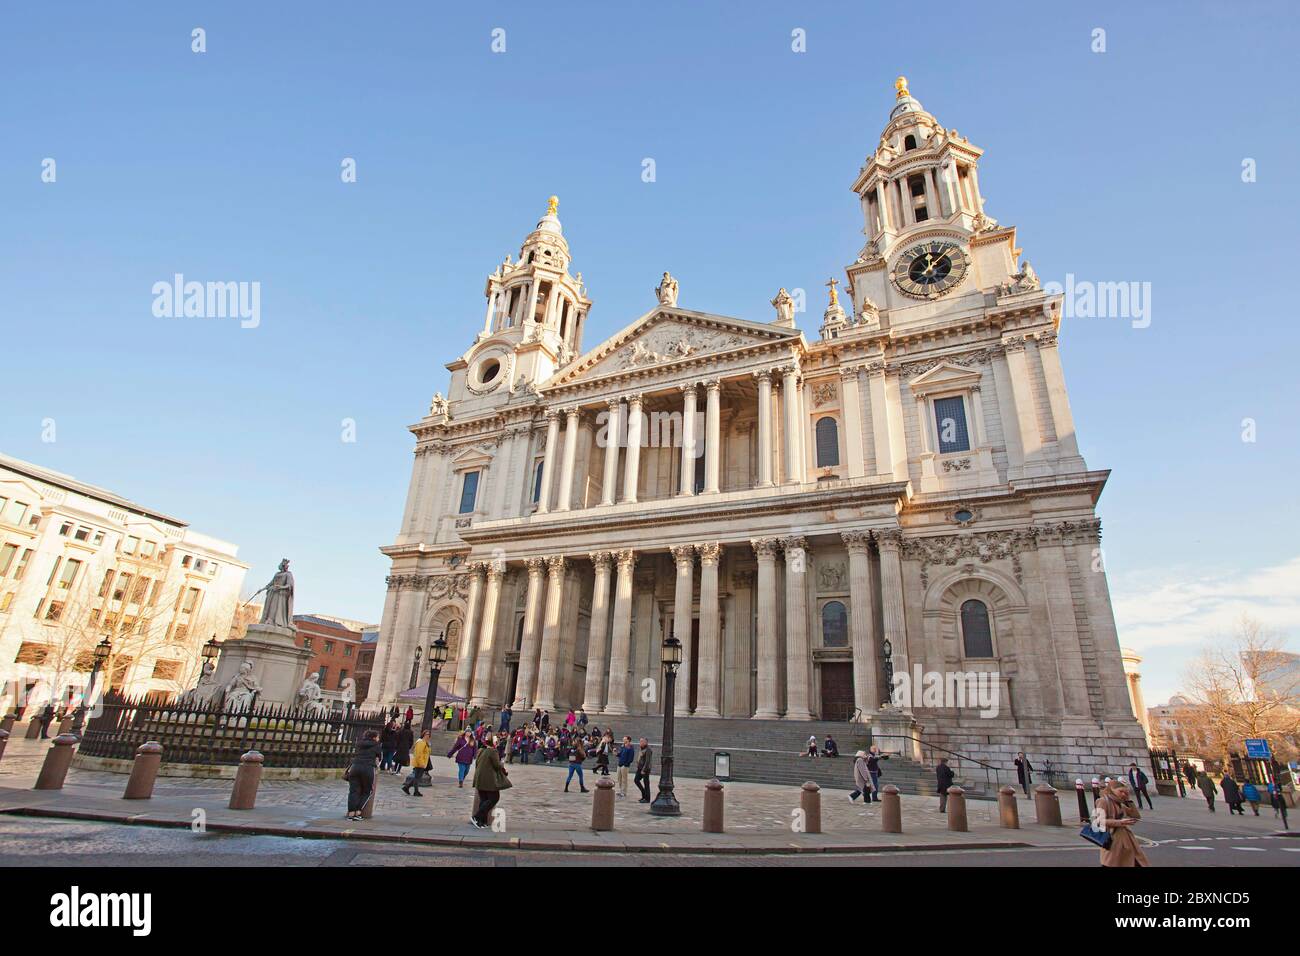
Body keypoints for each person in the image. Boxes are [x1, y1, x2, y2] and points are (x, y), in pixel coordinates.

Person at [1098, 780, 1149, 867]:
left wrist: (1129, 800)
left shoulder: (1120, 804)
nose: (1123, 794)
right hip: (1113, 839)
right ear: (1112, 790)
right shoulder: (1103, 801)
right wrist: (1120, 822)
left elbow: (1136, 816)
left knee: (1137, 862)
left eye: (1125, 792)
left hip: (1127, 840)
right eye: (1120, 791)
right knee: (1113, 863)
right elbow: (1099, 821)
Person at [470, 734, 511, 829]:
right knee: (494, 798)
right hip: (489, 780)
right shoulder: (492, 751)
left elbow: (477, 763)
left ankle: (482, 821)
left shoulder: (481, 750)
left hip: (479, 778)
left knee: (484, 799)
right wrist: (502, 764)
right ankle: (476, 817)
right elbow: (497, 765)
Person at [345, 730, 382, 821]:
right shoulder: (376, 745)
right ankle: (358, 812)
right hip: (368, 768)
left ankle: (351, 813)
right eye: (377, 737)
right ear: (374, 737)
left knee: (353, 791)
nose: (378, 738)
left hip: (355, 767)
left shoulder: (359, 744)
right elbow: (379, 758)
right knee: (367, 791)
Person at [402, 729, 432, 796]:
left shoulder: (425, 742)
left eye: (429, 735)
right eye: (427, 734)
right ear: (423, 734)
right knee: (417, 777)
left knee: (417, 777)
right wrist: (421, 763)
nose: (428, 736)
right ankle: (416, 791)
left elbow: (428, 752)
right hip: (419, 762)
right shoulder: (421, 742)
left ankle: (406, 787)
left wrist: (428, 745)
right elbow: (418, 754)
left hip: (423, 762)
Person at [634, 737, 653, 803]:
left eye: (642, 741)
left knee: (646, 784)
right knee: (636, 780)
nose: (640, 743)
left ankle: (647, 799)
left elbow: (647, 761)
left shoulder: (648, 750)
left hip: (645, 769)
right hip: (640, 768)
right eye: (640, 741)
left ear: (646, 742)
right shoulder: (642, 749)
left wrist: (644, 770)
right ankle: (644, 794)